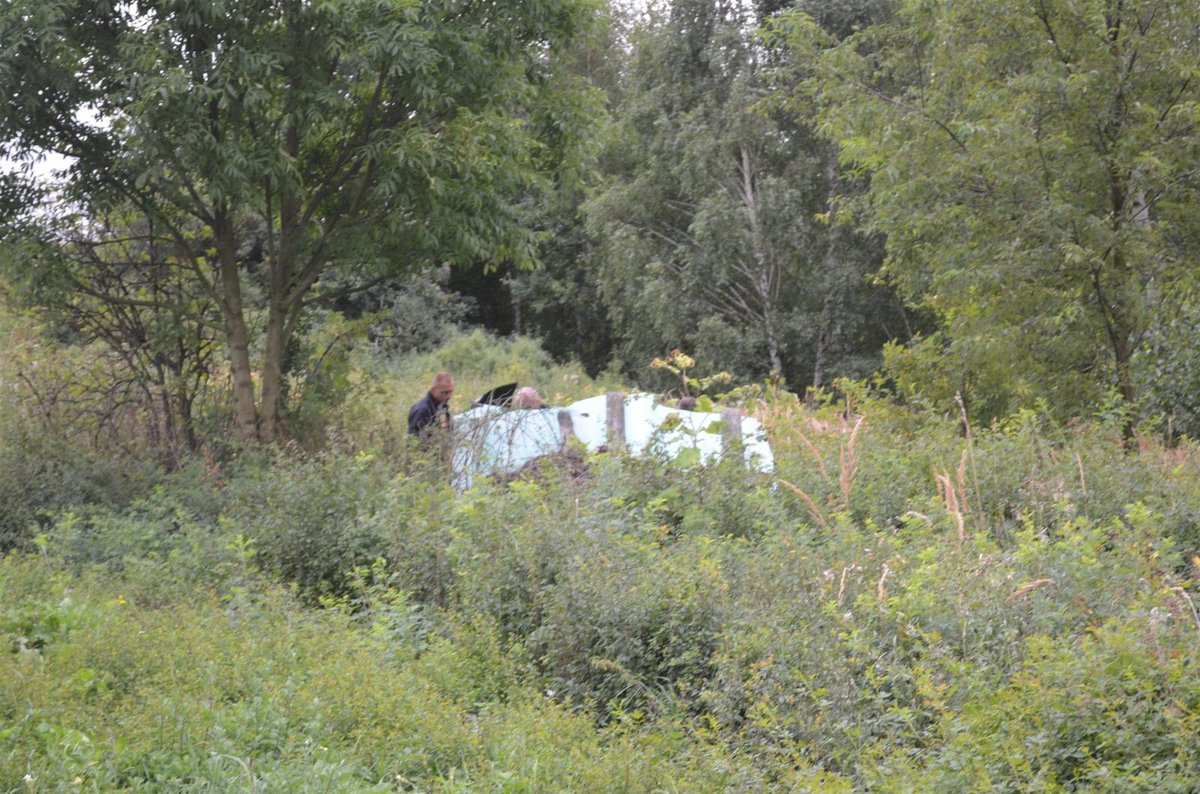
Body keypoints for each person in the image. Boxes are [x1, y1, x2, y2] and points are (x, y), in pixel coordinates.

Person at [408, 373, 454, 439]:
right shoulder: (421, 411)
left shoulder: (442, 406)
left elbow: (446, 431)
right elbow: (415, 441)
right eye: (445, 392)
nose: (449, 396)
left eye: (450, 392)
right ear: (433, 390)